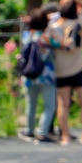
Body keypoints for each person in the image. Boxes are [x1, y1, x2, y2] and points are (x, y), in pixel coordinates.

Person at [51, 0, 82, 144]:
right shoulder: (78, 22)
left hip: (60, 70)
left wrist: (64, 2)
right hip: (78, 68)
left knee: (63, 104)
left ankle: (65, 136)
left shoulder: (53, 26)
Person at [16, 10, 56, 142]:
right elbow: (59, 45)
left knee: (30, 104)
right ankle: (43, 132)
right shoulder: (47, 38)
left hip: (29, 75)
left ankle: (30, 130)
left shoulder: (26, 36)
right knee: (49, 106)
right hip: (46, 76)